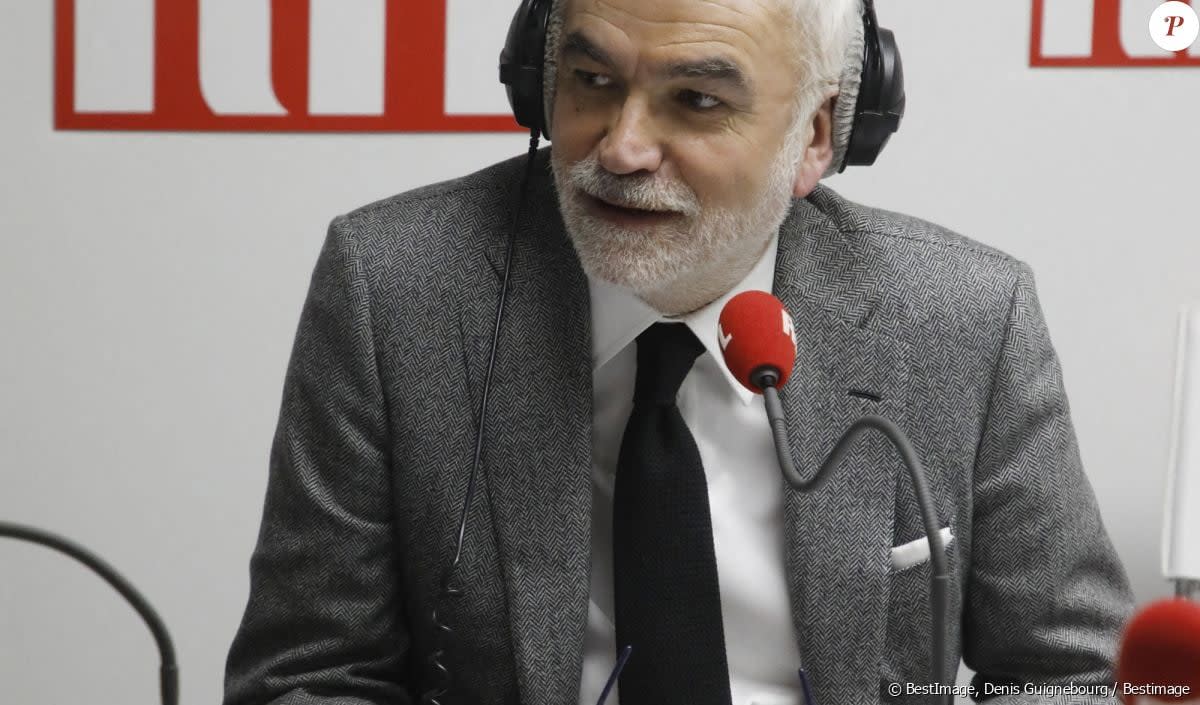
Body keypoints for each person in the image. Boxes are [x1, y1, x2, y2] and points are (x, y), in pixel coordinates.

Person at [223, 0, 1135, 703]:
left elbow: (1072, 673)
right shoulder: (400, 285)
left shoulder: (962, 315)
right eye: (590, 81)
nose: (622, 147)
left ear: (816, 135)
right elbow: (308, 673)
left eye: (696, 100)